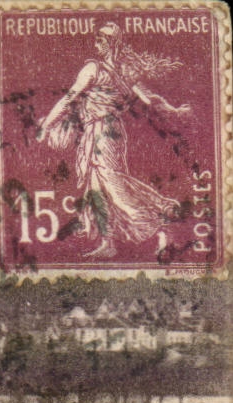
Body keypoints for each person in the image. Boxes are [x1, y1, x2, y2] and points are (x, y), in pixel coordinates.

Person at [35, 22, 191, 258]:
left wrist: (46, 126)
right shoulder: (126, 73)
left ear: (112, 44)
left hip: (103, 133)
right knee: (97, 185)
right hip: (103, 132)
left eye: (101, 40)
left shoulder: (93, 69)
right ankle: (108, 242)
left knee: (112, 184)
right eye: (97, 39)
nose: (96, 44)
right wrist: (174, 110)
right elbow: (150, 99)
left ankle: (161, 221)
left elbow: (69, 99)